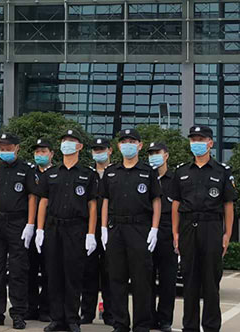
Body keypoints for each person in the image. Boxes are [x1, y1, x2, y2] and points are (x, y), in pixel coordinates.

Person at [171, 125, 237, 332]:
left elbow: (228, 204)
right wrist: (175, 233)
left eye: (200, 139)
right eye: (193, 139)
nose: (196, 143)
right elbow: (175, 204)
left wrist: (227, 234)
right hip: (188, 227)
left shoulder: (222, 171)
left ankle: (211, 327)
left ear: (210, 143)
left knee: (211, 282)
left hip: (211, 227)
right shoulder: (181, 171)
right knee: (189, 281)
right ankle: (189, 327)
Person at [35, 129, 98, 332]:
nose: (66, 143)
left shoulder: (88, 174)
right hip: (53, 227)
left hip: (76, 228)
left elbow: (92, 206)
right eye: (63, 140)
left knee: (73, 275)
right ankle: (57, 318)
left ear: (79, 146)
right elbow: (43, 202)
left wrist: (91, 233)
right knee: (53, 275)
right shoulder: (51, 173)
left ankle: (72, 319)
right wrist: (39, 230)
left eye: (71, 140)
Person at [99, 128, 161, 332]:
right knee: (116, 279)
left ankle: (142, 324)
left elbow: (156, 201)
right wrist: (103, 228)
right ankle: (120, 323)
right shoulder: (111, 172)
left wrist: (154, 228)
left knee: (141, 279)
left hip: (139, 228)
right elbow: (105, 200)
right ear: (118, 146)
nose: (128, 145)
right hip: (116, 228)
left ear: (140, 146)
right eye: (124, 142)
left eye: (132, 142)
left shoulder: (148, 171)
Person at [0, 133, 37, 330]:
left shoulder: (26, 170)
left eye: (8, 148)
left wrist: (30, 224)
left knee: (17, 270)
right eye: (2, 148)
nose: (5, 151)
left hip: (17, 223)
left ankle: (18, 313)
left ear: (17, 147)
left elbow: (32, 197)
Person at [81, 138, 114, 326]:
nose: (98, 153)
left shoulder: (116, 172)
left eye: (101, 149)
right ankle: (86, 312)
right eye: (95, 150)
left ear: (110, 151)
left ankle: (110, 313)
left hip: (112, 228)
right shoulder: (87, 174)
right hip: (90, 228)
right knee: (89, 272)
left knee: (110, 272)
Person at [145, 142, 177, 332]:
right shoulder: (145, 177)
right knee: (145, 278)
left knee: (168, 278)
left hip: (167, 230)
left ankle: (165, 319)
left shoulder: (175, 179)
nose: (153, 156)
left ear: (166, 155)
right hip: (147, 230)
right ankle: (148, 318)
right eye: (151, 153)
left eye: (157, 152)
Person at [27, 139, 53, 323]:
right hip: (29, 226)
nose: (40, 155)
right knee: (29, 269)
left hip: (50, 227)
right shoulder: (29, 173)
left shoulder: (56, 173)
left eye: (43, 151)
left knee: (49, 270)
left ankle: (46, 308)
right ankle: (31, 307)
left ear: (51, 153)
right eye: (37, 152)